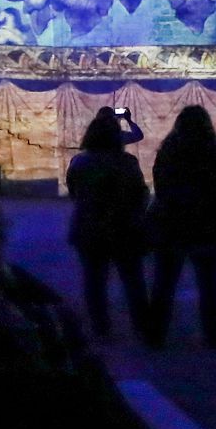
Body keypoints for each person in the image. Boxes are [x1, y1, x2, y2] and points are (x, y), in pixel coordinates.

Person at [148, 105, 216, 349]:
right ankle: (214, 333)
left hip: (172, 223)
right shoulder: (213, 154)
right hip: (206, 224)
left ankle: (156, 332)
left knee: (165, 282)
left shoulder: (168, 152)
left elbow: (161, 187)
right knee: (209, 282)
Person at [66, 108, 152, 341]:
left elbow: (74, 192)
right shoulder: (128, 162)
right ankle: (143, 326)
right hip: (124, 228)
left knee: (95, 281)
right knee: (133, 280)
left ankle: (101, 328)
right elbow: (140, 194)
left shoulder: (79, 162)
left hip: (89, 227)